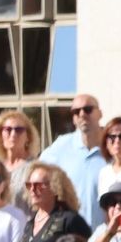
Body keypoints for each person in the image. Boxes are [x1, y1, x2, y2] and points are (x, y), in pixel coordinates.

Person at [38, 95, 108, 229]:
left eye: (88, 109)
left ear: (100, 113)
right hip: (71, 232)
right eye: (76, 112)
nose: (82, 114)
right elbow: (38, 174)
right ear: (73, 119)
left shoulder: (113, 144)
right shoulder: (61, 146)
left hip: (106, 233)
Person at [16, 162, 91, 242]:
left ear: (55, 187)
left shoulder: (69, 220)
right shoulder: (30, 224)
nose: (32, 189)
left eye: (38, 185)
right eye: (29, 185)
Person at [0, 110, 40, 210]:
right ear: (0, 135)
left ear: (28, 137)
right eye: (8, 129)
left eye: (19, 130)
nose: (13, 134)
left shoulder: (35, 168)